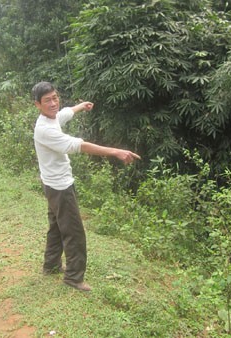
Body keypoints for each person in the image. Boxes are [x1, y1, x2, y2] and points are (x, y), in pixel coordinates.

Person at [32, 81, 140, 292]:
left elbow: (64, 113)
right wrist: (115, 152)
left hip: (51, 184)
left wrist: (81, 107)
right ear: (37, 104)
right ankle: (73, 277)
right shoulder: (45, 130)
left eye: (55, 97)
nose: (53, 103)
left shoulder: (50, 118)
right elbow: (78, 145)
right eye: (47, 101)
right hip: (60, 187)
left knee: (56, 228)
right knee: (74, 232)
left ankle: (51, 265)